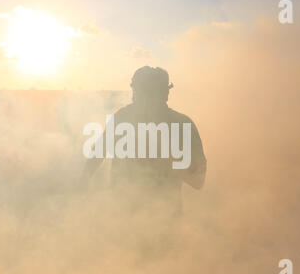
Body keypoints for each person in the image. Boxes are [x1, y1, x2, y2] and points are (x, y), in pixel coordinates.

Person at [80, 66, 207, 211]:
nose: (142, 99)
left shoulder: (181, 125)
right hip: (124, 215)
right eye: (140, 93)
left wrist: (165, 153)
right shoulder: (123, 118)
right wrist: (82, 183)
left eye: (148, 94)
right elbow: (99, 151)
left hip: (161, 218)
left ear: (164, 95)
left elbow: (198, 181)